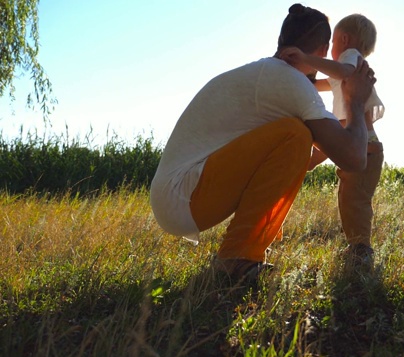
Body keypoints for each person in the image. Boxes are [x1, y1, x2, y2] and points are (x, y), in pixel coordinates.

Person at [149, 4, 376, 281]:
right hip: (183, 197)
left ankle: (241, 251)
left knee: (296, 134)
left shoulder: (268, 73)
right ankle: (237, 257)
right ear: (322, 49)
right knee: (296, 135)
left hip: (177, 195)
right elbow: (354, 157)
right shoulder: (290, 82)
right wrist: (355, 100)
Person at [278, 14, 384, 262]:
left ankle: (361, 250)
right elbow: (327, 83)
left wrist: (305, 59)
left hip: (364, 145)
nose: (330, 50)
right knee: (349, 199)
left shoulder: (350, 59)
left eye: (333, 42)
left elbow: (340, 71)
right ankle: (356, 246)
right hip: (361, 141)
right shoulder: (346, 70)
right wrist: (306, 82)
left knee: (355, 202)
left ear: (344, 39)